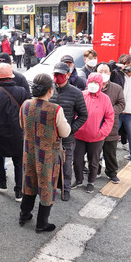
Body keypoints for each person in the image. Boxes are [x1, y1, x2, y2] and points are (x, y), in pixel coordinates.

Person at [19, 74, 71, 232]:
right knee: (46, 185)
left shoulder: (25, 105)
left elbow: (22, 125)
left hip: (29, 151)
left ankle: (24, 214)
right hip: (48, 155)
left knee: (29, 182)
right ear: (50, 90)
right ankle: (42, 223)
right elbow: (65, 132)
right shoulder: (55, 110)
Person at [0, 64, 28, 200]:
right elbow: (26, 112)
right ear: (11, 77)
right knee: (18, 162)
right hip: (18, 132)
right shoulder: (22, 91)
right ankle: (19, 191)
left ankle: (2, 184)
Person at [49, 62, 88, 201]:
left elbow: (84, 115)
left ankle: (66, 191)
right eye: (55, 74)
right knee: (50, 165)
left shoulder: (76, 93)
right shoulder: (49, 90)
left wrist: (71, 129)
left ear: (68, 74)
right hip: (49, 136)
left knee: (66, 165)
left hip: (67, 137)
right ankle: (51, 190)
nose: (57, 77)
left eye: (60, 74)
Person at [72, 73, 114, 194]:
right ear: (87, 82)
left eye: (96, 83)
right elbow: (73, 112)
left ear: (101, 85)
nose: (93, 85)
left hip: (96, 137)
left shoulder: (105, 99)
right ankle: (79, 180)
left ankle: (91, 182)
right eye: (91, 82)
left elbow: (110, 118)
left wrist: (102, 132)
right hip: (79, 135)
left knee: (94, 161)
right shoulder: (81, 95)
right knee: (77, 160)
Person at [96, 63, 125, 183]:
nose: (103, 74)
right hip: (95, 125)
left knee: (111, 152)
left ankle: (112, 172)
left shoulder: (117, 88)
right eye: (100, 71)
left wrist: (110, 111)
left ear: (110, 73)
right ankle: (95, 171)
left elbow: (121, 104)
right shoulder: (91, 87)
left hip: (111, 125)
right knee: (94, 152)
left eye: (105, 71)